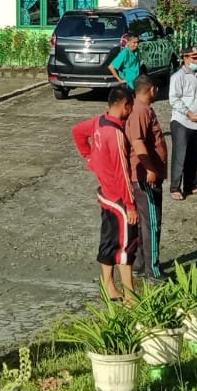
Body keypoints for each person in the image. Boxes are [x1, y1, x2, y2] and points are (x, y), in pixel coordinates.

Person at [71, 85, 139, 299]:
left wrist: (89, 156)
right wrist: (130, 205)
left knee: (108, 240)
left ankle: (109, 286)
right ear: (125, 105)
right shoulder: (116, 134)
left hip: (105, 194)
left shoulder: (99, 121)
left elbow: (77, 131)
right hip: (118, 198)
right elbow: (123, 173)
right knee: (126, 246)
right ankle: (130, 295)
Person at [126, 75, 169, 279]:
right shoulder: (140, 112)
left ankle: (141, 262)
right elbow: (138, 142)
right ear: (151, 89)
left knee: (145, 222)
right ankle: (153, 271)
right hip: (145, 178)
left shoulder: (142, 109)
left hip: (146, 176)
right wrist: (151, 169)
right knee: (152, 223)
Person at [167, 45, 197, 200]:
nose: (196, 60)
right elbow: (174, 99)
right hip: (182, 121)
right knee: (180, 155)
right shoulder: (178, 76)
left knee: (196, 155)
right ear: (185, 58)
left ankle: (191, 185)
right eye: (193, 57)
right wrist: (188, 113)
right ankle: (175, 187)